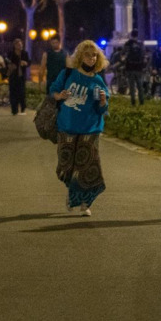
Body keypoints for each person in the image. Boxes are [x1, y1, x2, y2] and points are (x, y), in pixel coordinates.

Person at [49, 40, 110, 216]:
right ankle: (72, 193)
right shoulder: (68, 74)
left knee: (87, 166)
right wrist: (60, 95)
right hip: (66, 127)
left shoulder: (98, 80)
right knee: (66, 166)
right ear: (80, 57)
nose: (91, 58)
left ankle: (84, 203)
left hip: (90, 129)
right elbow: (53, 90)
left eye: (94, 55)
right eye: (87, 55)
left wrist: (103, 101)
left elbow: (102, 109)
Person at [122, 30, 148, 105]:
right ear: (137, 35)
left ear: (131, 35)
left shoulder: (127, 43)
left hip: (130, 67)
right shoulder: (140, 44)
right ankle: (141, 101)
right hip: (139, 68)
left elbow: (123, 54)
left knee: (132, 86)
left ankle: (133, 101)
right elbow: (144, 55)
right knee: (140, 85)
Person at [7, 38, 29, 115]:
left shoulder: (24, 53)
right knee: (13, 93)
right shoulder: (11, 54)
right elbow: (7, 62)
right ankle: (14, 110)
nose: (20, 46)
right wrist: (11, 65)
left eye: (21, 44)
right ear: (15, 45)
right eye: (19, 44)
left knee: (22, 92)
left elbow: (29, 61)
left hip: (21, 76)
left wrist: (25, 63)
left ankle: (23, 108)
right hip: (13, 76)